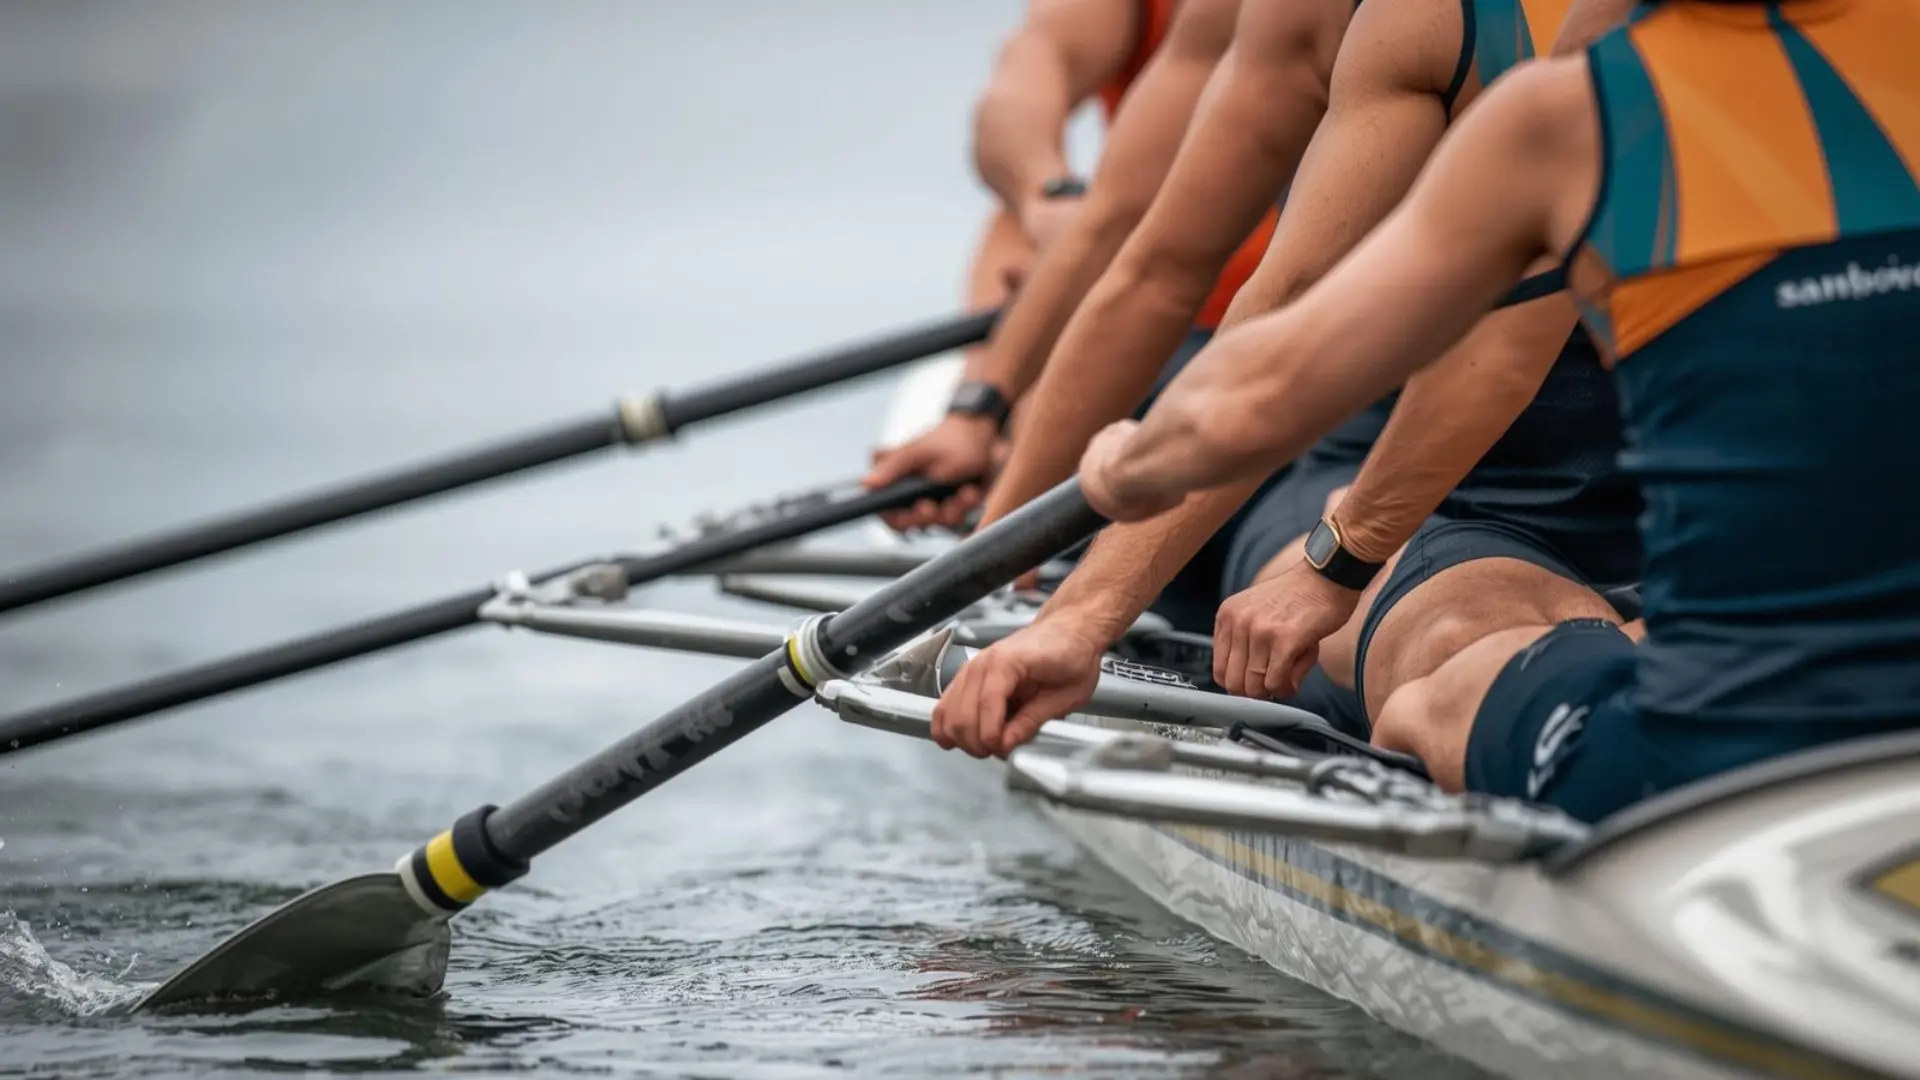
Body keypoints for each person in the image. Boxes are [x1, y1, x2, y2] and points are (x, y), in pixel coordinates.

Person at [1072, 0, 1920, 821]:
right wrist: (1086, 609)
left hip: (1702, 633)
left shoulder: (1578, 110)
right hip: (1461, 511)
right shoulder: (1521, 79)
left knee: (1559, 654)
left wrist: (1124, 468)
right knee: (1466, 639)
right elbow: (1196, 287)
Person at [931, 0, 1634, 755]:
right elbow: (1166, 277)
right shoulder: (1426, 29)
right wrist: (1012, 557)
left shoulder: (1613, 63)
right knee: (1463, 637)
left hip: (1688, 503)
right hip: (1375, 454)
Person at [866, 0, 1276, 542]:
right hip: (1137, 325)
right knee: (1020, 223)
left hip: (1296, 349)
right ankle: (1005, 441)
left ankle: (1019, 456)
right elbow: (1031, 67)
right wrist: (1050, 197)